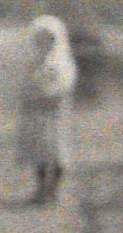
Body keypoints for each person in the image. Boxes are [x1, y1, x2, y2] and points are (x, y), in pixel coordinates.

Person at [14, 15, 76, 206]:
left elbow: (64, 86)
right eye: (39, 39)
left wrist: (46, 94)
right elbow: (25, 85)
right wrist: (29, 95)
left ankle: (54, 190)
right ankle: (40, 189)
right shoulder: (33, 61)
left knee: (56, 152)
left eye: (48, 39)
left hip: (54, 113)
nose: (43, 43)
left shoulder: (61, 62)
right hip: (36, 113)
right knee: (39, 153)